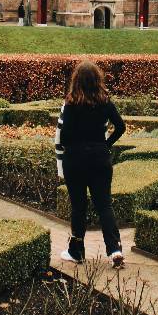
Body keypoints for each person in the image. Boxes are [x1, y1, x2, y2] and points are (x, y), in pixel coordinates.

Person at [54, 60, 126, 267]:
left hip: (75, 160)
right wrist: (105, 144)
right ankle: (115, 249)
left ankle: (76, 252)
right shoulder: (105, 102)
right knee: (104, 205)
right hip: (99, 158)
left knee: (78, 207)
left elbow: (64, 136)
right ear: (97, 80)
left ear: (76, 81)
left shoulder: (71, 104)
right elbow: (120, 126)